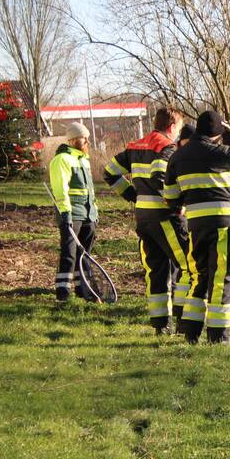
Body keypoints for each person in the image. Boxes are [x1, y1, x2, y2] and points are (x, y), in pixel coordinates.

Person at [163, 110, 230, 344]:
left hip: (196, 224)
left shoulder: (178, 156)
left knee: (200, 277)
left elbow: (171, 196)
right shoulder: (221, 152)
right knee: (223, 278)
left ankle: (191, 331)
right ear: (218, 134)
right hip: (223, 224)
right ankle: (218, 337)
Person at [103, 107, 193, 334]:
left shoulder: (137, 145)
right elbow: (160, 175)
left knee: (157, 271)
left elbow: (110, 171)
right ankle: (184, 321)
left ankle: (161, 325)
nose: (178, 134)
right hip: (165, 217)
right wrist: (176, 204)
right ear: (172, 127)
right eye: (179, 129)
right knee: (188, 267)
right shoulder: (167, 146)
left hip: (143, 217)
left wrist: (132, 194)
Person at [49, 121, 98, 302]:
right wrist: (65, 214)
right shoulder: (62, 160)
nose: (87, 142)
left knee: (84, 254)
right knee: (69, 254)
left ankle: (84, 289)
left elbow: (89, 190)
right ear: (76, 139)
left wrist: (95, 212)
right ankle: (63, 293)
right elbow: (60, 189)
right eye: (85, 138)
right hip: (72, 214)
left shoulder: (84, 160)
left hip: (88, 214)